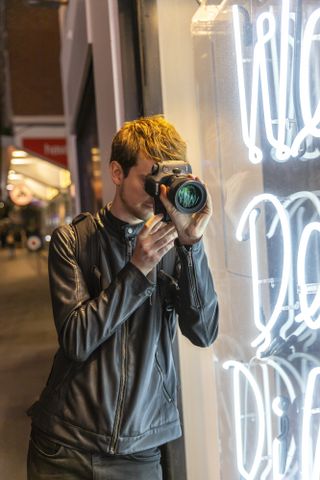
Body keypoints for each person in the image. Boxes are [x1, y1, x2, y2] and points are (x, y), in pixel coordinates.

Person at [27, 115, 219, 480]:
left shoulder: (175, 245)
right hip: (64, 445)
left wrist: (191, 248)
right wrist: (136, 269)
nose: (159, 193)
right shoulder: (75, 240)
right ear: (117, 173)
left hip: (139, 450)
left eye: (168, 182)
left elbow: (204, 331)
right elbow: (77, 339)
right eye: (151, 181)